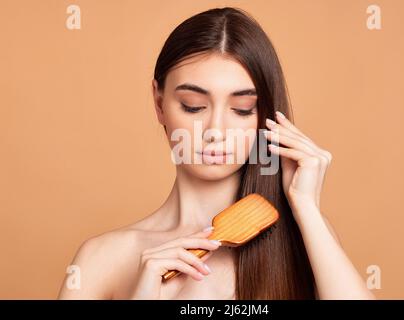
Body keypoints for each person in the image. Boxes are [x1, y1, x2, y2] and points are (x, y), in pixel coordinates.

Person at [58, 7, 375, 300]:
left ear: (263, 114)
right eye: (193, 106)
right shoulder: (102, 259)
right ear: (159, 103)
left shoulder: (306, 241)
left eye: (241, 109)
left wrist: (306, 207)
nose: (215, 131)